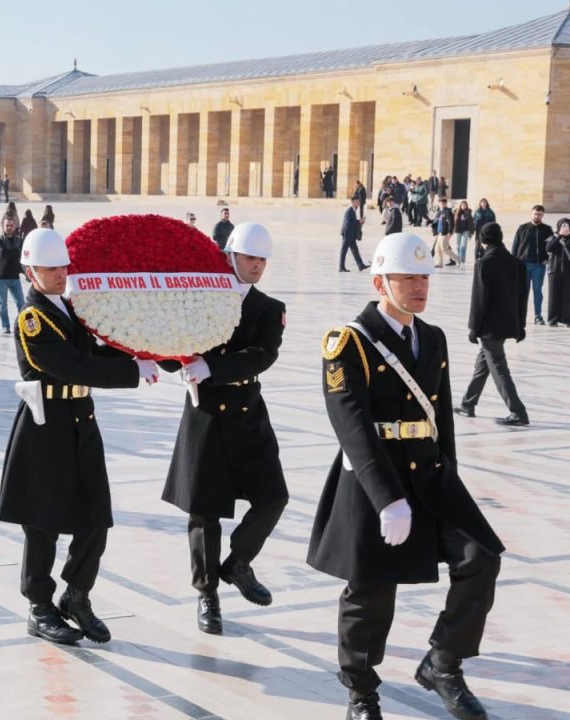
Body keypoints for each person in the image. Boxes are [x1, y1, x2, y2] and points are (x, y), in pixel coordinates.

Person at [310, 233, 504, 720]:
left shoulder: (432, 337)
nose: (420, 287)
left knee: (481, 557)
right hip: (375, 479)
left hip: (430, 475)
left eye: (424, 278)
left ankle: (443, 661)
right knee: (371, 590)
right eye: (408, 278)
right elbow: (351, 425)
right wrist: (385, 498)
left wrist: (450, 477)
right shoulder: (348, 342)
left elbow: (441, 417)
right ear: (380, 282)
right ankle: (361, 692)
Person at [0, 228, 158, 646]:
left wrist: (141, 350)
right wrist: (130, 372)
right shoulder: (32, 318)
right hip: (46, 426)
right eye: (50, 268)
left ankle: (77, 595)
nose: (60, 273)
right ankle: (39, 607)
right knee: (42, 522)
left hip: (81, 421)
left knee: (95, 516)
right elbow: (72, 365)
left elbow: (93, 353)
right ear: (30, 271)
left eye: (63, 266)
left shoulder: (68, 308)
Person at [161, 223, 288, 635]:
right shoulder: (199, 297)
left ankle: (237, 563)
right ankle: (207, 593)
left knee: (273, 497)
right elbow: (171, 347)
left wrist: (213, 366)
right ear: (230, 256)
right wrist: (152, 349)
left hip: (247, 411)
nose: (257, 265)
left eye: (262, 259)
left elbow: (262, 355)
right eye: (250, 257)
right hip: (207, 414)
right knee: (205, 511)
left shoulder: (269, 308)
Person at [454, 222, 530, 430]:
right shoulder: (517, 264)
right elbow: (523, 298)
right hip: (508, 324)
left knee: (498, 366)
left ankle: (517, 411)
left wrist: (473, 328)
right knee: (483, 363)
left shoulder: (484, 263)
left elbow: (479, 300)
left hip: (489, 326)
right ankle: (468, 403)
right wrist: (521, 325)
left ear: (483, 240)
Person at [512, 205, 553, 325]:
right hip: (523, 265)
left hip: (538, 265)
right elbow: (515, 246)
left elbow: (551, 247)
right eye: (535, 214)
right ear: (531, 214)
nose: (537, 216)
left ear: (543, 215)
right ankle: (520, 316)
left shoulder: (547, 229)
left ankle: (537, 316)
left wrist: (547, 259)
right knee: (523, 291)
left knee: (537, 291)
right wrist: (514, 263)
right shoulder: (522, 228)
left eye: (540, 214)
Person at [0, 216, 25, 335]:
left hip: (15, 277)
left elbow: (23, 255)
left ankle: (22, 325)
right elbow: (3, 253)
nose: (9, 227)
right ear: (3, 226)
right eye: (7, 225)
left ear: (15, 226)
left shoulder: (19, 240)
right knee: (3, 305)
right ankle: (5, 326)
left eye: (11, 225)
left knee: (21, 303)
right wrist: (16, 251)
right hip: (1, 277)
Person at [548, 218, 570, 327]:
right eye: (563, 225)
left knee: (567, 296)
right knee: (553, 296)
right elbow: (549, 248)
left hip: (568, 272)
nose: (565, 228)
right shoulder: (553, 237)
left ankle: (567, 319)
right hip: (554, 271)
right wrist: (560, 236)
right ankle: (553, 319)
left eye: (567, 225)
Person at [339, 197, 368, 272]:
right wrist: (359, 221)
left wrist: (360, 222)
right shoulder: (349, 211)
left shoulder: (353, 210)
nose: (358, 203)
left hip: (351, 234)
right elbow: (348, 223)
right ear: (353, 202)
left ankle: (361, 265)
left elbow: (353, 221)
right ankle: (341, 267)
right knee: (344, 250)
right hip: (347, 234)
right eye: (357, 201)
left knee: (355, 250)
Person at [430, 197, 461, 267]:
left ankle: (457, 259)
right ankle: (439, 263)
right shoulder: (439, 212)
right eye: (441, 203)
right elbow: (436, 221)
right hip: (439, 233)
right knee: (437, 249)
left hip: (445, 233)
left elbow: (451, 223)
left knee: (444, 249)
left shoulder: (448, 212)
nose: (442, 204)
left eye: (443, 203)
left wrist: (450, 232)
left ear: (446, 204)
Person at [453, 200, 475, 265]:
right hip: (458, 230)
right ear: (460, 205)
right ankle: (459, 257)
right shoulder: (456, 212)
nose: (463, 206)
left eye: (464, 205)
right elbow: (453, 222)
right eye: (462, 205)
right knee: (457, 246)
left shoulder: (468, 212)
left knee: (463, 245)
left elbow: (471, 223)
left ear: (466, 206)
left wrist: (471, 231)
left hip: (466, 230)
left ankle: (461, 259)